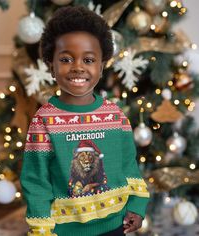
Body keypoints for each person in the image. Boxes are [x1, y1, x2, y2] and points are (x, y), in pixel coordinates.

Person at [20, 5, 150, 236]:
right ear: (51, 66)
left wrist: (137, 206)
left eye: (88, 60)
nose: (78, 67)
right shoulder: (44, 121)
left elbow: (129, 166)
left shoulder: (115, 117)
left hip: (114, 226)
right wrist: (41, 229)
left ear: (101, 67)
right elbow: (36, 182)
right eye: (67, 59)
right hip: (65, 231)